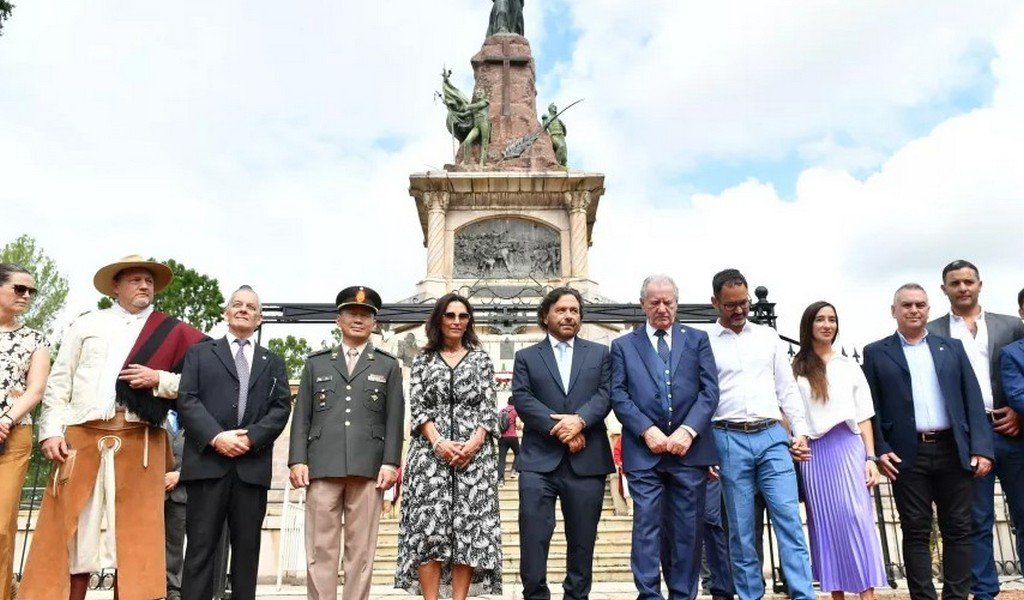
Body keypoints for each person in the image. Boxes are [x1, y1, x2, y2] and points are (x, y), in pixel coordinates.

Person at [19, 254, 206, 600]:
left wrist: (160, 379)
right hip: (81, 436)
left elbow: (203, 383)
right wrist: (50, 431)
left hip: (142, 438)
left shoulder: (174, 331)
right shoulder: (86, 324)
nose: (144, 285)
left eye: (149, 280)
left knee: (138, 538)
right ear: (115, 287)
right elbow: (61, 382)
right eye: (136, 279)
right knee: (72, 532)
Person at [863, 283, 993, 600]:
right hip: (907, 454)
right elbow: (870, 407)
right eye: (906, 305)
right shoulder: (875, 353)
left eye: (920, 304)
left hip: (953, 450)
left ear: (928, 309)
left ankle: (956, 596)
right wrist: (881, 448)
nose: (914, 310)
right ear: (893, 311)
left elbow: (972, 400)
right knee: (916, 530)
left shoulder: (952, 348)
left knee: (959, 529)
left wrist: (982, 448)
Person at [288, 286, 404, 600]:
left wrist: (391, 462)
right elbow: (302, 417)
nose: (358, 319)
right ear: (339, 319)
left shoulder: (387, 365)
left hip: (369, 470)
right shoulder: (317, 363)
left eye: (366, 315)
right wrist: (297, 459)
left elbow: (394, 418)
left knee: (362, 552)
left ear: (375, 323)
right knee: (319, 548)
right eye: (352, 313)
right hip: (322, 467)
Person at [706, 268, 815, 600]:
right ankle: (751, 595)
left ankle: (802, 594)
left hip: (771, 437)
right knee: (740, 531)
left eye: (744, 303)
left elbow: (788, 390)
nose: (739, 311)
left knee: (789, 523)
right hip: (727, 438)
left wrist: (801, 432)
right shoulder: (703, 342)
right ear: (715, 303)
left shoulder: (768, 338)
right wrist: (706, 452)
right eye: (730, 305)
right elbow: (701, 397)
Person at [177, 285, 292, 600]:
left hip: (250, 469)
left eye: (251, 307)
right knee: (200, 549)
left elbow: (281, 407)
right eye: (237, 305)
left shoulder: (273, 361)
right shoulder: (200, 354)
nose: (243, 309)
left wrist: (251, 437)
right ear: (226, 313)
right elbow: (187, 400)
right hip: (207, 467)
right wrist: (217, 437)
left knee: (246, 552)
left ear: (259, 318)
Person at [611, 274, 719, 600]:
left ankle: (682, 595)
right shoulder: (623, 345)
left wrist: (688, 431)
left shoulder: (698, 339)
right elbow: (619, 395)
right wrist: (646, 430)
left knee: (688, 530)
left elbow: (709, 391)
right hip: (645, 454)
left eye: (668, 302)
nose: (662, 308)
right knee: (646, 527)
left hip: (690, 453)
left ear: (676, 303)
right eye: (654, 302)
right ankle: (649, 595)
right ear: (643, 304)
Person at [925, 260, 1024, 600]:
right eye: (955, 283)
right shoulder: (933, 331)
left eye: (969, 281)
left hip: (1013, 430)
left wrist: (1019, 413)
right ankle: (985, 592)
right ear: (945, 289)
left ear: (980, 284)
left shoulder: (1012, 326)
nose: (963, 288)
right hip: (966, 438)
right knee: (977, 519)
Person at [395, 293, 502, 600]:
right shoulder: (423, 359)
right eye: (450, 315)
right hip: (430, 458)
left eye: (463, 316)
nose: (456, 322)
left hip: (474, 459)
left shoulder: (481, 359)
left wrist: (474, 442)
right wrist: (438, 442)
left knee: (467, 531)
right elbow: (419, 405)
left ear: (469, 321)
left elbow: (488, 405)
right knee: (430, 531)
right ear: (438, 319)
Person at [511, 286, 615, 600]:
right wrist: (563, 429)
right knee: (534, 538)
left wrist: (580, 421)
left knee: (583, 541)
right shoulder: (526, 357)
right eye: (561, 310)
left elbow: (606, 395)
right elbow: (523, 399)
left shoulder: (600, 354)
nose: (569, 316)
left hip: (588, 462)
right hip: (538, 463)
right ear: (546, 315)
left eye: (574, 311)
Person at [791, 301, 887, 598]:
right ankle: (836, 595)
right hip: (814, 454)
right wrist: (796, 439)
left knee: (857, 520)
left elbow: (864, 415)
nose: (827, 325)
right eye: (820, 319)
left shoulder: (849, 366)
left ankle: (866, 594)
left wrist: (871, 458)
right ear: (809, 325)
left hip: (848, 446)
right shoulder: (796, 368)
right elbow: (788, 411)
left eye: (832, 319)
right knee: (825, 526)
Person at [0, 263, 49, 599]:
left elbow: (35, 390)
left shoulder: (35, 339)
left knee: (2, 527)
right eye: (19, 289)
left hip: (12, 437)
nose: (27, 296)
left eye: (31, 290)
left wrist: (5, 420)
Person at [164, 410, 186, 600]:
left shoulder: (191, 416)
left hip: (181, 494)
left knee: (175, 544)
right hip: (151, 492)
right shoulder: (151, 412)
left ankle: (173, 589)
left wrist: (180, 474)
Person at [497, 399, 521, 483]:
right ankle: (514, 470)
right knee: (518, 453)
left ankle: (500, 480)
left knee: (501, 459)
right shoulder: (515, 411)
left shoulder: (501, 411)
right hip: (512, 437)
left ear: (507, 402)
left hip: (502, 438)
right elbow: (518, 425)